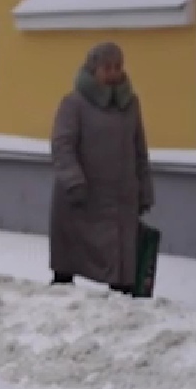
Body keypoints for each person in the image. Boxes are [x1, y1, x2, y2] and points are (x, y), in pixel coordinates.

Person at [48, 41, 154, 292]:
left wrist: (145, 189)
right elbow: (62, 146)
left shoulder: (130, 104)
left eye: (118, 67)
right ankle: (64, 296)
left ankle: (122, 301)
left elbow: (139, 149)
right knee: (72, 253)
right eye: (107, 68)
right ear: (93, 69)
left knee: (122, 263)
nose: (114, 73)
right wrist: (73, 181)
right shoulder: (74, 104)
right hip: (83, 196)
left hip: (120, 197)